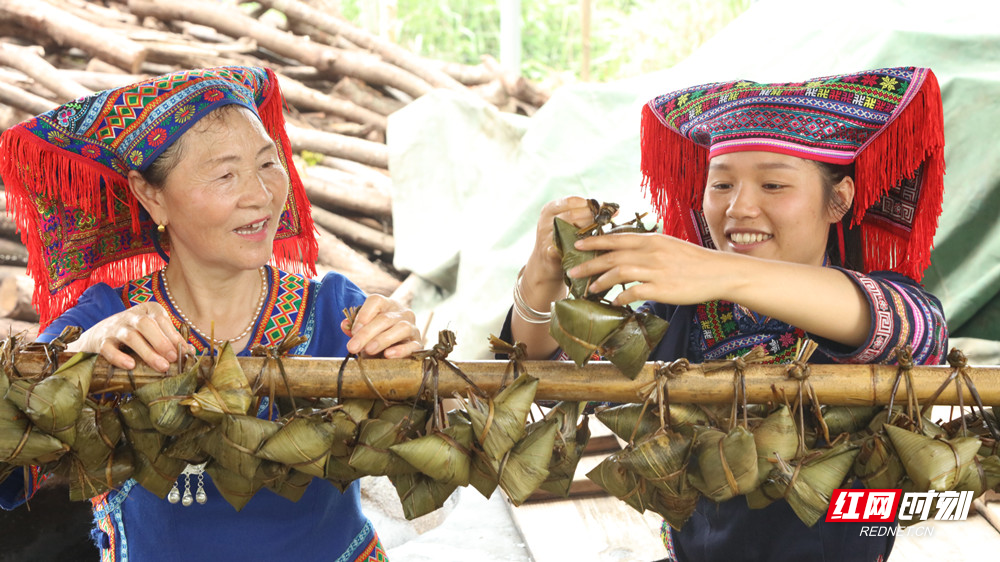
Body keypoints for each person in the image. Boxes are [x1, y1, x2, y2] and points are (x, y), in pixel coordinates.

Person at [503, 66, 948, 561]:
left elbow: (920, 331)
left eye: (773, 186)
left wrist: (718, 269)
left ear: (839, 200)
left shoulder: (877, 300)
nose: (739, 208)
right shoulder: (680, 312)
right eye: (721, 186)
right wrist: (541, 279)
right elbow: (551, 372)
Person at [0, 66, 420, 561]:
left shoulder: (334, 312)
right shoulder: (104, 323)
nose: (261, 195)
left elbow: (426, 447)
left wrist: (406, 360)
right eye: (225, 174)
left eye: (268, 163)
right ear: (150, 195)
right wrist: (75, 358)